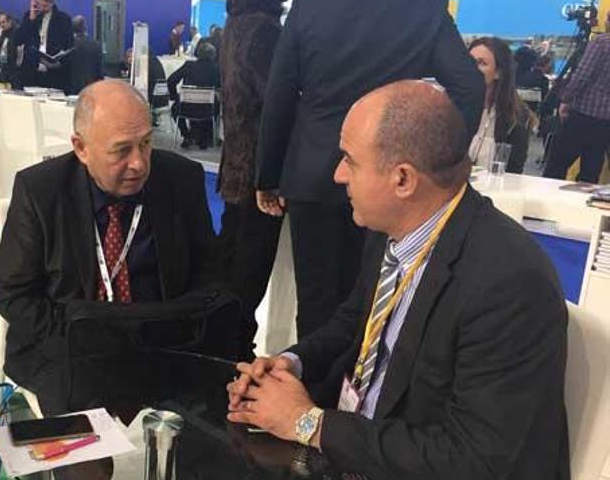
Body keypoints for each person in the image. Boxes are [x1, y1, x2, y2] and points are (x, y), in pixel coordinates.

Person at [228, 80, 569, 479]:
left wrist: (308, 423)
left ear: (403, 180)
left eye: (350, 161)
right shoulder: (392, 229)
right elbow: (352, 322)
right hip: (362, 454)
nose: (338, 174)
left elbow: (475, 459)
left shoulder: (508, 284)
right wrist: (288, 366)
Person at [255, 0, 484, 340]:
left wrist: (267, 175)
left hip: (313, 172)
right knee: (379, 303)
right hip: (389, 178)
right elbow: (469, 86)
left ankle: (314, 389)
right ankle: (367, 390)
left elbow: (280, 94)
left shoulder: (310, 5)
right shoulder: (425, 6)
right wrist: (436, 161)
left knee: (316, 302)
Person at [0, 80, 221, 393]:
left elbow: (209, 273)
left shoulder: (181, 180)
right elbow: (14, 294)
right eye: (121, 150)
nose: (139, 163)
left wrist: (175, 328)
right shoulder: (41, 191)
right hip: (69, 352)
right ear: (81, 148)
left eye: (145, 143)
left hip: (163, 348)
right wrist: (83, 340)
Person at [217, 0, 287, 360]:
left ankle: (224, 352)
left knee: (230, 268)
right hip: (261, 174)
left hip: (236, 166)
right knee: (249, 274)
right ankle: (235, 358)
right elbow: (278, 105)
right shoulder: (266, 32)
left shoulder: (235, 26)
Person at [543, 15, 610, 183]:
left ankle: (548, 203)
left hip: (583, 114)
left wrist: (565, 99)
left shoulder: (601, 42)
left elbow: (582, 76)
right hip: (606, 122)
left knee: (556, 165)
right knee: (591, 169)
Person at [468, 37, 532, 174]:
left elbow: (514, 171)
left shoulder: (515, 117)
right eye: (469, 61)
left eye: (482, 63)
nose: (472, 68)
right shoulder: (449, 107)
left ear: (498, 72)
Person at [15, 0, 74, 92]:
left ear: (52, 1)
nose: (44, 6)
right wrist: (31, 19)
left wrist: (59, 63)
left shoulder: (63, 20)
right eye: (41, 3)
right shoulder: (29, 16)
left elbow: (70, 47)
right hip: (31, 74)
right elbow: (18, 40)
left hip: (55, 76)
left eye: (47, 4)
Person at [168, 42, 221, 149]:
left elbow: (171, 80)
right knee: (217, 105)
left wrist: (174, 96)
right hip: (208, 109)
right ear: (213, 55)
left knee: (174, 108)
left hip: (186, 107)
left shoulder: (188, 65)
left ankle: (186, 135)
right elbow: (222, 86)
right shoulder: (216, 69)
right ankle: (206, 137)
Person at [68, 15, 103, 95]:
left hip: (71, 87)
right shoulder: (96, 45)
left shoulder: (69, 44)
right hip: (90, 87)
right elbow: (99, 70)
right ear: (85, 28)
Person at [0, 13, 18, 84]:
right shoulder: (3, 34)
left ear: (10, 21)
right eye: (0, 23)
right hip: (3, 68)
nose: (2, 25)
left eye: (3, 22)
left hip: (13, 70)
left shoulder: (16, 33)